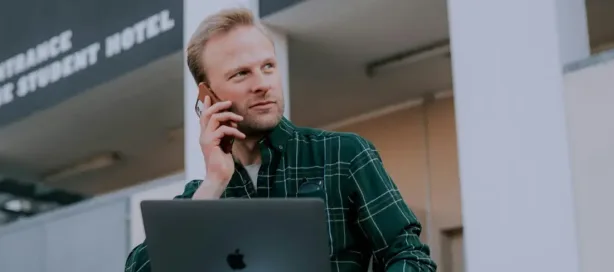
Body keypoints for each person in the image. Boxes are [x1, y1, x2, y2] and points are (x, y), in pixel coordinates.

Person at [124, 7, 436, 272]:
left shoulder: (345, 155)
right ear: (208, 97)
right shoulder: (201, 197)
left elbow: (411, 257)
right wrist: (213, 183)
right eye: (241, 74)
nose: (262, 84)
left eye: (268, 67)